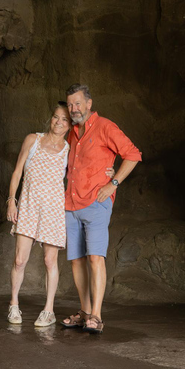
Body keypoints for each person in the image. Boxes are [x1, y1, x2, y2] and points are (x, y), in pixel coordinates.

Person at [5, 103, 114, 327]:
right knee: (19, 259)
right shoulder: (32, 140)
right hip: (28, 205)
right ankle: (14, 305)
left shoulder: (69, 149)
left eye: (64, 120)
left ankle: (48, 311)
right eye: (56, 117)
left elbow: (88, 167)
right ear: (51, 118)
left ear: (70, 125)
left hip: (53, 209)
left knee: (49, 260)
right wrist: (11, 201)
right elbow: (17, 172)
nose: (59, 122)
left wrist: (110, 172)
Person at [61, 84, 141, 334]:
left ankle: (96, 315)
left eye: (77, 103)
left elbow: (133, 154)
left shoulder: (106, 126)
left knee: (95, 258)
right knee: (76, 260)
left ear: (89, 104)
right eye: (70, 104)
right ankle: (85, 312)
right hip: (70, 204)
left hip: (96, 203)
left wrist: (113, 182)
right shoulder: (72, 132)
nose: (74, 109)